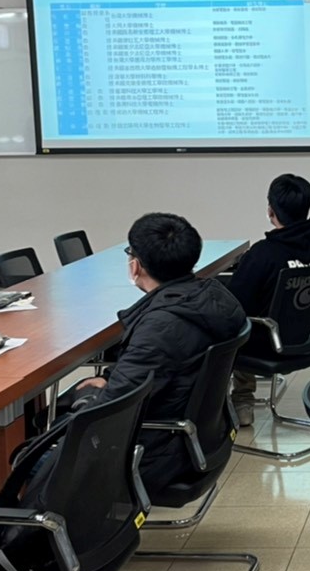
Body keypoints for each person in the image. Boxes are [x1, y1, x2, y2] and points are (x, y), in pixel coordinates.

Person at [67, 213, 246, 498]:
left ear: (135, 265)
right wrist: (112, 378)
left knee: (40, 447)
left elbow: (110, 413)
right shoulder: (216, 297)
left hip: (156, 453)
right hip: (201, 436)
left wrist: (86, 398)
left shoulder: (160, 327)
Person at [227, 174, 310, 425]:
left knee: (223, 326)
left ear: (271, 210)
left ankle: (240, 400)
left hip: (268, 343)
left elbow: (234, 306)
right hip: (309, 336)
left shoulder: (262, 255)